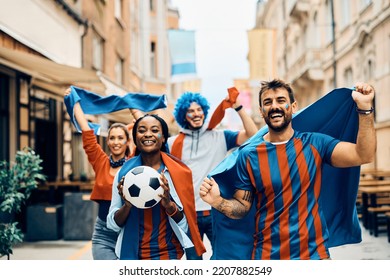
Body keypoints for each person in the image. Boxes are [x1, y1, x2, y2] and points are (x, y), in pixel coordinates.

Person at [200, 79, 376, 260]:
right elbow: (242, 207)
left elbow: (363, 155)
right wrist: (218, 201)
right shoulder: (248, 155)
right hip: (268, 257)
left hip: (314, 255)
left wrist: (365, 109)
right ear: (261, 112)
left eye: (281, 100)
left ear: (293, 106)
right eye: (268, 102)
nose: (274, 106)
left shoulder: (315, 143)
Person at [167, 91, 258, 259]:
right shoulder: (172, 143)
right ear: (183, 115)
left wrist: (237, 107)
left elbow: (253, 135)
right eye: (190, 111)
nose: (196, 114)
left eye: (199, 109)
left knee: (221, 259)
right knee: (194, 262)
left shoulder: (221, 136)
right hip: (189, 214)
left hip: (215, 210)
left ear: (205, 111)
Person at [107, 114, 206, 259]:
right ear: (135, 138)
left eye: (154, 130)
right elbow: (112, 225)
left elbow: (187, 225)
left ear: (164, 137)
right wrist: (127, 205)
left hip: (168, 254)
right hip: (132, 255)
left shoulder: (178, 172)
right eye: (141, 130)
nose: (148, 134)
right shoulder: (124, 174)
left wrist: (169, 205)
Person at [64, 88, 141, 260]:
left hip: (130, 231)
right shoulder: (101, 162)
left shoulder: (135, 163)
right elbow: (86, 131)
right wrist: (74, 100)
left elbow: (147, 126)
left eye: (120, 138)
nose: (116, 142)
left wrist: (131, 105)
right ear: (107, 141)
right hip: (103, 234)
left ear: (128, 141)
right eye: (112, 138)